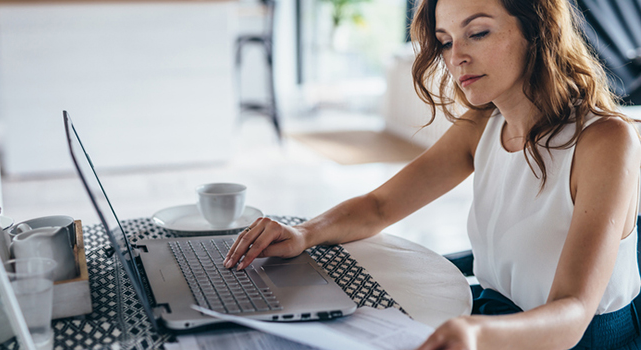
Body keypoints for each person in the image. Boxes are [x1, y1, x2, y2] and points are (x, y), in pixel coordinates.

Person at [224, 0, 641, 348]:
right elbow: (380, 205)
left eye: (478, 33)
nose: (456, 56)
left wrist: (475, 334)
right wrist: (304, 233)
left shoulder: (605, 141)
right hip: (491, 323)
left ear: (537, 30)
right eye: (445, 41)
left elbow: (572, 314)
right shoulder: (484, 124)